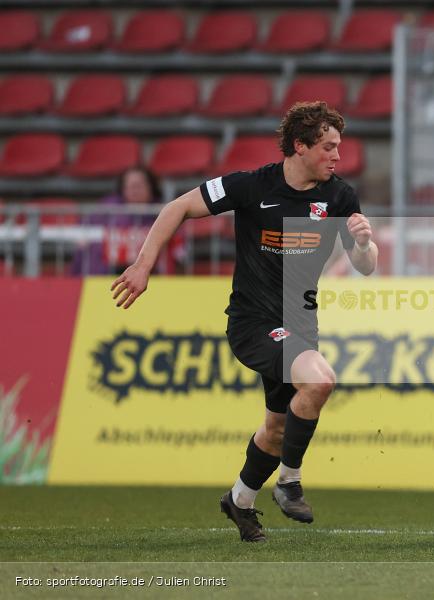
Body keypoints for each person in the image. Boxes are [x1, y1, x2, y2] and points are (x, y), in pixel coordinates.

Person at [111, 102, 378, 542]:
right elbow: (177, 207)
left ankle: (239, 500)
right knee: (320, 380)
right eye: (329, 147)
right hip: (253, 322)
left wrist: (365, 245)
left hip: (300, 324)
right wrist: (143, 265)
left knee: (276, 427)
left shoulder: (340, 196)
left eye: (339, 147)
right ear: (300, 146)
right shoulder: (251, 186)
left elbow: (365, 265)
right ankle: (289, 481)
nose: (337, 156)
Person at [71, 166, 180, 275]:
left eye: (139, 185)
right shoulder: (109, 207)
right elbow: (85, 226)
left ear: (150, 187)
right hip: (106, 272)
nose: (134, 190)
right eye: (130, 186)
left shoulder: (163, 210)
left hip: (151, 275)